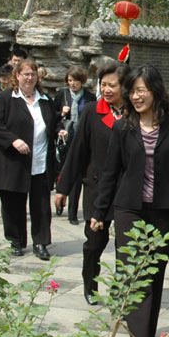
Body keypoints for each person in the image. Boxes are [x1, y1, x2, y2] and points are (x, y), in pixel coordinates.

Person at [92, 65, 169, 337]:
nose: (135, 97)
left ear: (155, 91)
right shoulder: (123, 127)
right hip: (129, 211)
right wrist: (100, 210)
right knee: (134, 274)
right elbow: (111, 172)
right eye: (132, 91)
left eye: (141, 91)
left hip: (161, 211)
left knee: (153, 277)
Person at [54, 61, 129, 305]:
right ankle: (90, 284)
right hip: (97, 187)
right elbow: (78, 151)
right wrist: (63, 188)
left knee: (125, 244)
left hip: (125, 189)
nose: (107, 90)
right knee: (94, 242)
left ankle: (122, 290)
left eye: (112, 85)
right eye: (103, 85)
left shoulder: (134, 113)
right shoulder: (92, 111)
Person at [0, 58, 59, 260]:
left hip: (40, 161)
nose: (29, 78)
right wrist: (14, 140)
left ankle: (41, 243)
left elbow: (52, 124)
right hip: (14, 161)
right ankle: (16, 241)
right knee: (13, 204)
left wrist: (60, 130)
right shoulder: (6, 98)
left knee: (41, 206)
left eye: (33, 74)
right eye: (25, 74)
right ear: (17, 76)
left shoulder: (45, 100)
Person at [54, 65, 96, 224]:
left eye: (76, 81)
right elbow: (54, 118)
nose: (72, 84)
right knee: (64, 173)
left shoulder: (90, 98)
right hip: (65, 140)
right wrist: (60, 127)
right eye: (70, 80)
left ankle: (73, 213)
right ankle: (60, 201)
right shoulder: (62, 94)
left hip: (82, 141)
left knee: (78, 177)